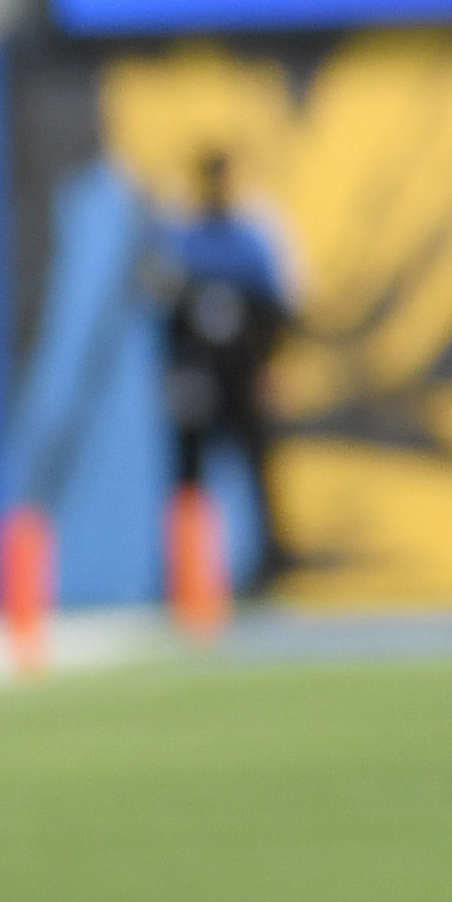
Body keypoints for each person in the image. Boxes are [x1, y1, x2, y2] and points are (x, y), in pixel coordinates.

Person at [153, 150, 295, 588]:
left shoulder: (252, 239)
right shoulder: (182, 240)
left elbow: (276, 311)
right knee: (190, 474)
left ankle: (272, 562)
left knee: (257, 465)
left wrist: (266, 367)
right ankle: (188, 572)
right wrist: (175, 369)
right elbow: (168, 313)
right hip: (199, 374)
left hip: (242, 372)